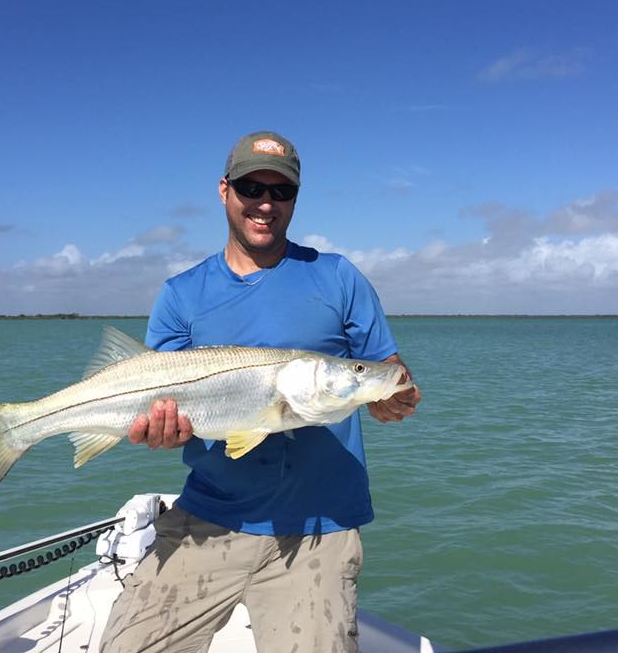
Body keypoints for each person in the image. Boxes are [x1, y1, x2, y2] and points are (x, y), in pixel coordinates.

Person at [100, 130, 420, 653]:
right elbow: (152, 399)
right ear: (225, 191)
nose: (266, 203)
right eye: (252, 187)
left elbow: (385, 366)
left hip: (320, 524)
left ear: (295, 198)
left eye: (282, 191)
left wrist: (393, 390)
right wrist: (156, 432)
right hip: (208, 515)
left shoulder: (337, 277)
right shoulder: (181, 294)